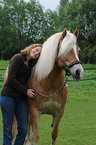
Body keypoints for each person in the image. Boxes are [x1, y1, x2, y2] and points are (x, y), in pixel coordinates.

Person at [0, 44, 42, 145]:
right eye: (36, 50)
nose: (36, 53)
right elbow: (10, 79)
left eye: (38, 54)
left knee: (23, 129)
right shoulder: (17, 58)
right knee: (8, 128)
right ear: (32, 47)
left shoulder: (31, 64)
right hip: (8, 97)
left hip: (21, 100)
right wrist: (26, 91)